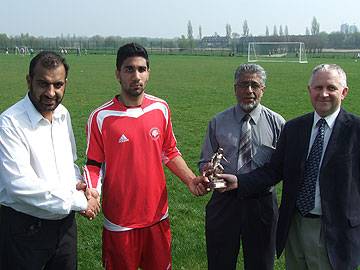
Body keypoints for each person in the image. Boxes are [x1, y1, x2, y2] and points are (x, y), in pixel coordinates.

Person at [219, 64, 360, 270]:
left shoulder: (356, 131)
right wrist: (239, 181)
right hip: (294, 227)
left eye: (331, 88)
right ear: (309, 90)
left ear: (344, 92)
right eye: (318, 87)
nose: (324, 94)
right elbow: (273, 170)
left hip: (334, 231)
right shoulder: (294, 128)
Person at [83, 42, 207, 270]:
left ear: (149, 73)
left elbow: (169, 151)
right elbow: (93, 164)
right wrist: (92, 194)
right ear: (117, 74)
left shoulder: (160, 108)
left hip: (158, 217)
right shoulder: (101, 117)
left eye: (141, 69)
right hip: (120, 221)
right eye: (129, 69)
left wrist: (191, 180)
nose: (136, 75)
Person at [0, 51, 100, 270]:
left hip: (64, 229)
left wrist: (79, 186)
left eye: (58, 84)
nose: (51, 92)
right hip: (24, 231)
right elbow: (19, 186)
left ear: (65, 83)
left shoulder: (62, 114)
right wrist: (80, 201)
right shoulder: (9, 123)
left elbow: (68, 163)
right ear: (29, 81)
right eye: (43, 84)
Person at [199, 63, 285, 270]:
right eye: (243, 85)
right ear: (235, 88)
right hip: (224, 203)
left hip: (261, 204)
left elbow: (281, 168)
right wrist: (207, 171)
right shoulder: (218, 122)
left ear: (263, 89)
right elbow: (204, 161)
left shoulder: (278, 123)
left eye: (254, 85)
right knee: (220, 262)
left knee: (261, 264)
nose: (249, 91)